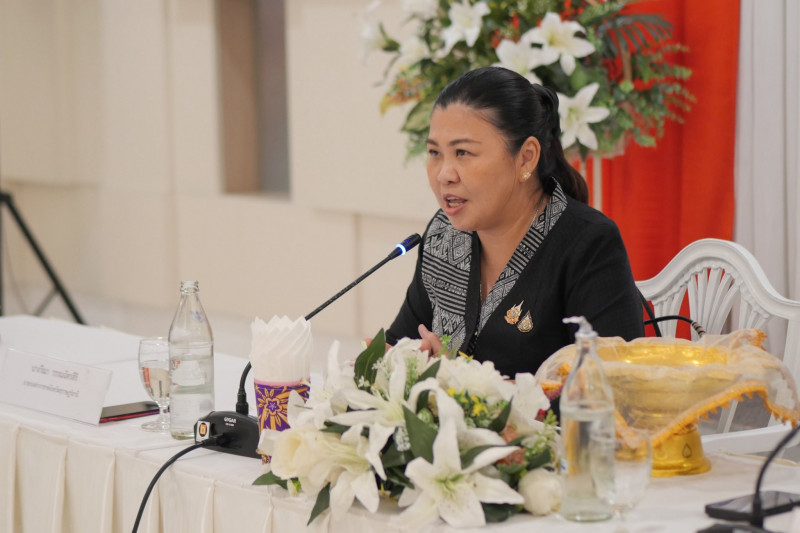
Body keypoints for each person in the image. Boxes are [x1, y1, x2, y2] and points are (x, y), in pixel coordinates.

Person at [385, 66, 644, 378]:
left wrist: (461, 383)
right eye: (434, 153)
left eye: (463, 152)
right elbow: (398, 345)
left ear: (526, 157)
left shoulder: (588, 244)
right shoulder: (444, 235)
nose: (444, 174)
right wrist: (388, 363)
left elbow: (612, 386)